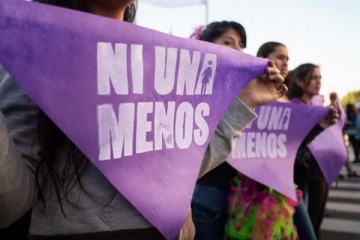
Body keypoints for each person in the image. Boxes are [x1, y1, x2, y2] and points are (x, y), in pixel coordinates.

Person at [0, 3, 287, 240]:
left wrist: (246, 101)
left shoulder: (161, 60)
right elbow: (12, 203)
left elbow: (179, 171)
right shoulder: (38, 52)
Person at [189, 21, 250, 240]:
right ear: (207, 45)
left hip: (235, 192)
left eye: (241, 44)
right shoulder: (196, 88)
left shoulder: (244, 88)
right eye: (228, 42)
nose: (238, 49)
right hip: (208, 189)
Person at [287, 63, 338, 239]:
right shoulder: (294, 106)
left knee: (315, 222)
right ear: (300, 82)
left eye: (320, 77)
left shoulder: (312, 107)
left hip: (318, 170)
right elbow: (295, 143)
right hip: (303, 174)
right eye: (313, 77)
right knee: (307, 227)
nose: (318, 82)